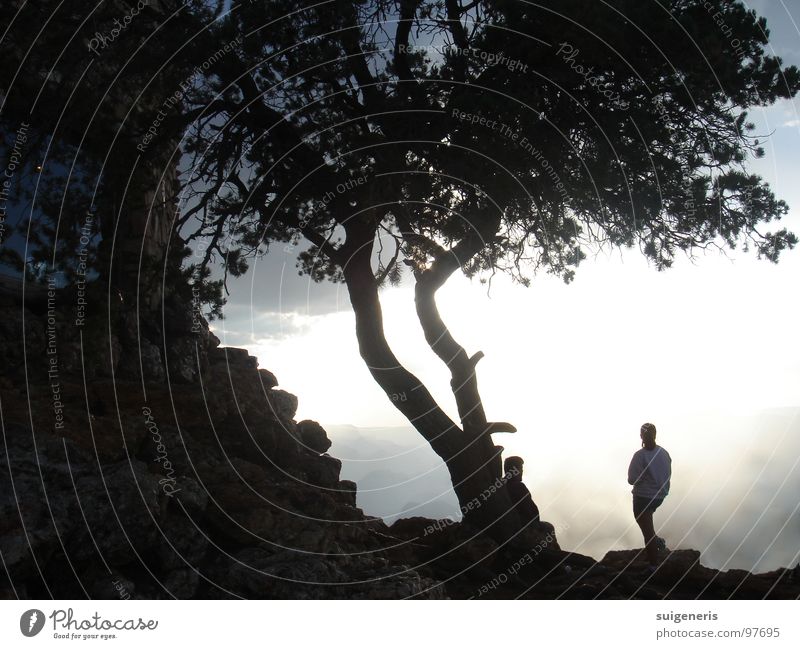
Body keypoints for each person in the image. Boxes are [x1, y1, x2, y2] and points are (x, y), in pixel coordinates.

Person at [628, 422, 672, 568]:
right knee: (648, 526)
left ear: (641, 435)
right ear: (655, 435)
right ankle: (657, 543)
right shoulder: (664, 453)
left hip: (643, 497)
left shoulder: (640, 456)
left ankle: (653, 566)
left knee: (647, 532)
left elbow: (631, 480)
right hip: (659, 496)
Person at [503, 456, 554, 536]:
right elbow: (529, 510)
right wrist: (536, 524)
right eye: (520, 468)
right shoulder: (518, 487)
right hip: (522, 526)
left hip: (514, 525)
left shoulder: (501, 485)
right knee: (549, 527)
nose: (522, 471)